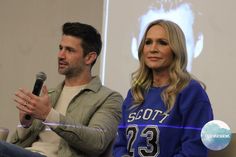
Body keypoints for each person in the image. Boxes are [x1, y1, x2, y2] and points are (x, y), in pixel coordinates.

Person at [0, 22, 123, 157]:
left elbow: (97, 142)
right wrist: (25, 125)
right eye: (60, 48)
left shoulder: (109, 98)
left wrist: (49, 115)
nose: (60, 55)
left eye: (69, 50)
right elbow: (15, 145)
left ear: (89, 57)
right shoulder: (50, 95)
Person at [113, 19, 213, 157]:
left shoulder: (191, 92)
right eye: (148, 42)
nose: (153, 49)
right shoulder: (135, 93)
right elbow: (120, 145)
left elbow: (194, 150)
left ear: (176, 50)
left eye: (162, 43)